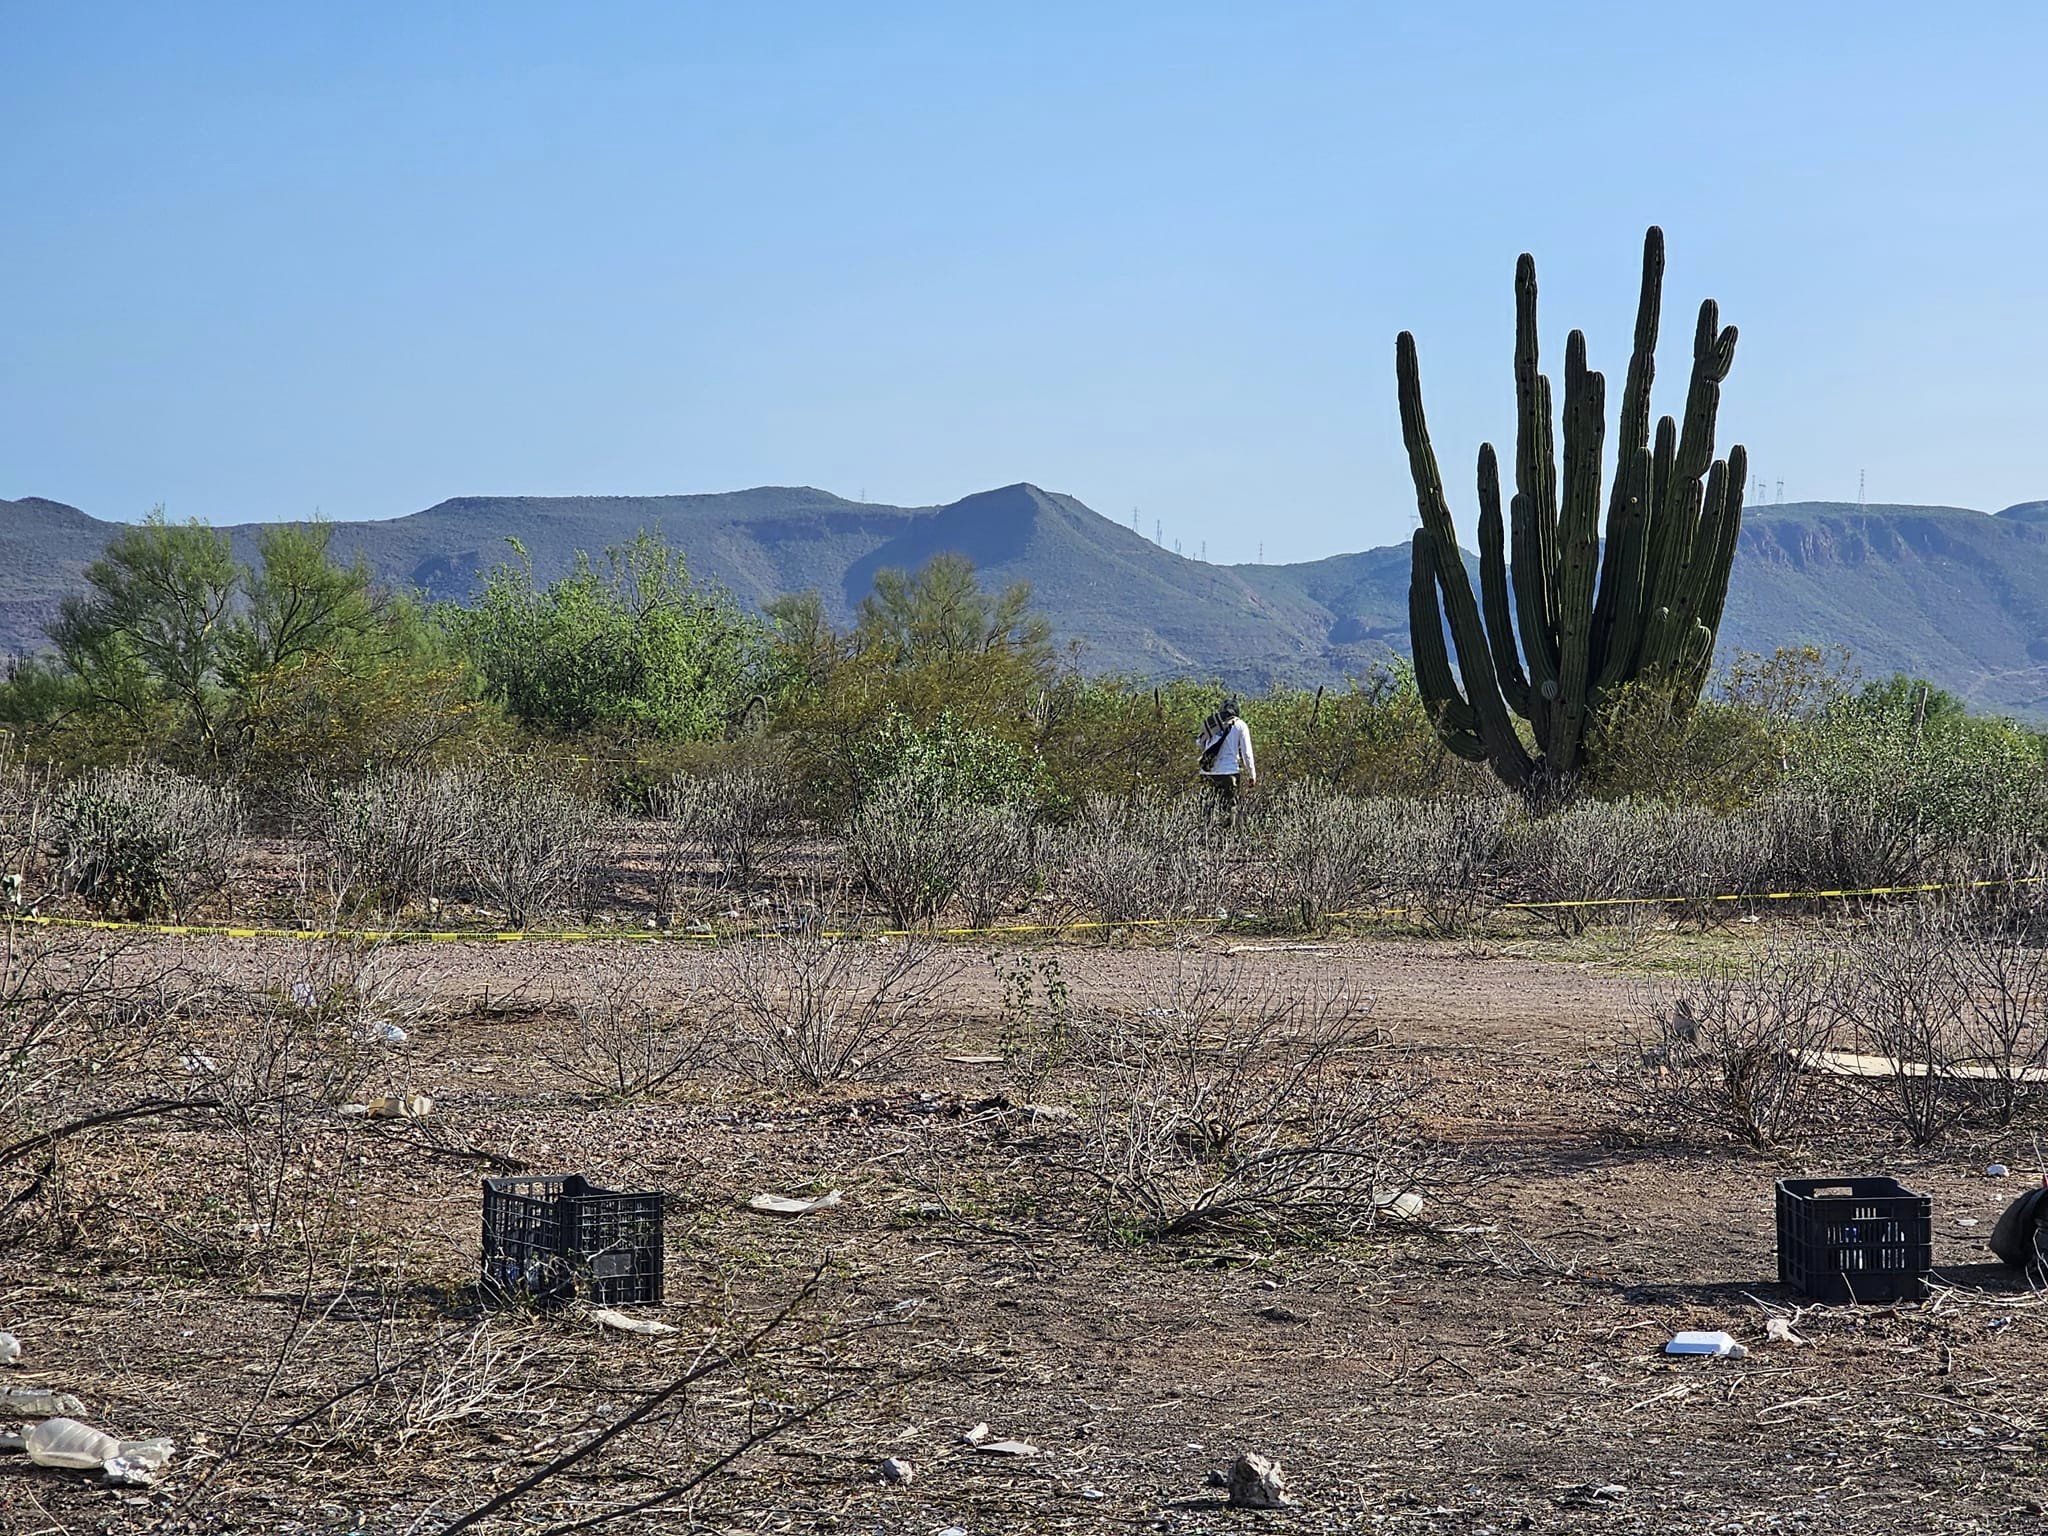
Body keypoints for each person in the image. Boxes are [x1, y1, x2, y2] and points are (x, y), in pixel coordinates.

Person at [1196, 694, 1255, 825]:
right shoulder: (1240, 725)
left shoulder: (1211, 722)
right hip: (1229, 772)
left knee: (1207, 808)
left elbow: (1199, 743)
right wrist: (1252, 775)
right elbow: (1247, 753)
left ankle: (1204, 836)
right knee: (1231, 807)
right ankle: (1229, 839)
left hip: (1207, 772)